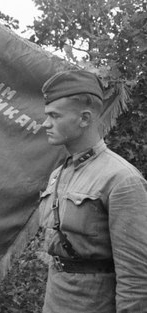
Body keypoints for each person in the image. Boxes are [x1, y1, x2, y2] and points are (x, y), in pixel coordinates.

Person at [39, 70, 147, 313]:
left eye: (54, 116)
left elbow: (137, 279)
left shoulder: (121, 180)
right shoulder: (59, 174)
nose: (45, 123)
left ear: (85, 118)